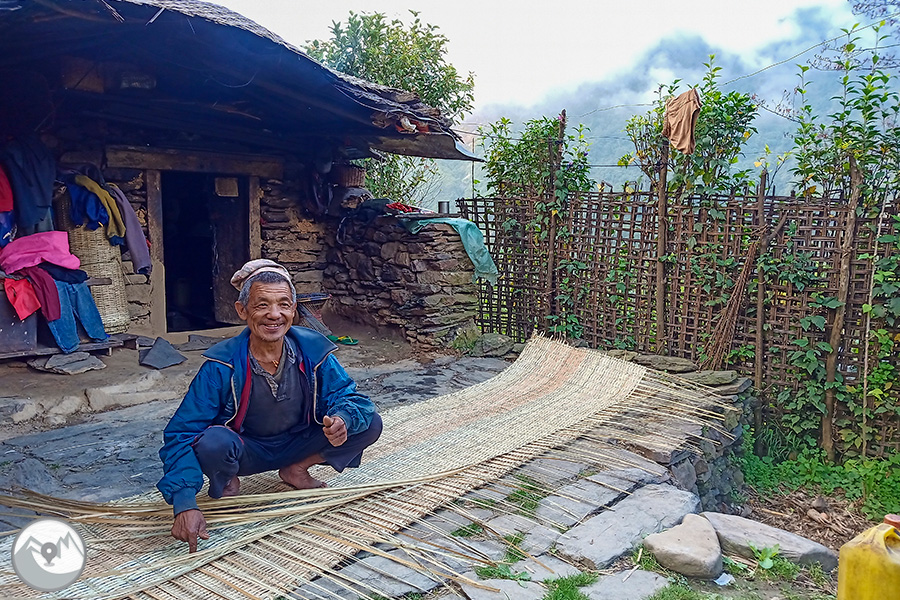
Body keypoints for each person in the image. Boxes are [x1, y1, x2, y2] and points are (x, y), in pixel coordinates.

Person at [157, 259, 382, 553]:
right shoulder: (222, 364)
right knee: (212, 442)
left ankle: (296, 469)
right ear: (242, 310)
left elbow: (349, 396)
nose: (274, 315)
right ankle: (226, 478)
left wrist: (342, 419)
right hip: (247, 451)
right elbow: (181, 434)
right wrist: (185, 502)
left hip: (297, 442)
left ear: (293, 310)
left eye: (283, 305)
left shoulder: (314, 350)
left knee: (369, 422)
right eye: (262, 305)